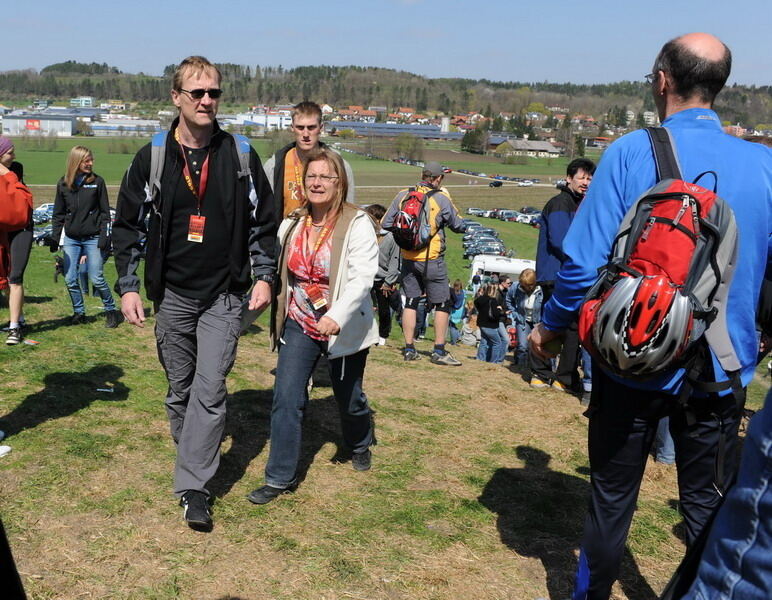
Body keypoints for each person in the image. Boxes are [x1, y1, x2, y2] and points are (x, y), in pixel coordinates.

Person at [528, 34, 772, 600]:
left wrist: (551, 329)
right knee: (707, 506)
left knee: (610, 502)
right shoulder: (764, 165)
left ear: (662, 78)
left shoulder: (631, 152)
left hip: (629, 359)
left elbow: (581, 264)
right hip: (721, 365)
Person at [112, 56, 277, 531]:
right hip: (175, 297)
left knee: (209, 391)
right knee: (180, 389)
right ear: (177, 98)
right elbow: (125, 226)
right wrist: (127, 286)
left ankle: (193, 487)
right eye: (197, 92)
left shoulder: (240, 155)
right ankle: (194, 454)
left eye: (214, 93)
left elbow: (264, 224)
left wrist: (264, 274)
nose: (207, 101)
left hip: (224, 297)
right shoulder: (155, 156)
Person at [248, 146, 377, 505]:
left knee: (348, 399)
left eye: (325, 177)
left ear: (340, 183)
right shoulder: (293, 223)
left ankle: (360, 441)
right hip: (299, 323)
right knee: (286, 398)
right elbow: (278, 271)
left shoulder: (357, 223)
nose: (317, 183)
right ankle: (279, 477)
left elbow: (362, 277)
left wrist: (337, 316)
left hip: (343, 326)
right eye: (312, 177)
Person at [382, 161, 467, 365]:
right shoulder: (441, 198)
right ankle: (439, 350)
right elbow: (459, 225)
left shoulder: (403, 194)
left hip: (408, 257)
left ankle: (409, 348)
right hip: (432, 257)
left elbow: (386, 223)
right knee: (442, 303)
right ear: (438, 179)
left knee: (411, 301)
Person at [531, 157, 595, 391]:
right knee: (549, 322)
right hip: (555, 273)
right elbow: (560, 241)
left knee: (573, 327)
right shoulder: (560, 203)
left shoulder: (580, 204)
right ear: (569, 178)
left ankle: (564, 377)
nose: (586, 182)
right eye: (581, 177)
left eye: (590, 178)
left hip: (569, 273)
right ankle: (540, 372)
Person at [52, 146, 121, 328]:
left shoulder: (97, 182)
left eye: (91, 160)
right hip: (72, 239)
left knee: (96, 277)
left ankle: (111, 310)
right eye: (86, 160)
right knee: (70, 279)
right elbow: (58, 214)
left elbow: (106, 213)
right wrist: (55, 237)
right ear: (76, 161)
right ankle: (79, 312)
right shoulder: (63, 184)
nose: (90, 163)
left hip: (93, 238)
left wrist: (105, 237)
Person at [263, 101, 355, 221]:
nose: (305, 134)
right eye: (300, 128)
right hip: (286, 237)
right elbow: (265, 213)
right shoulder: (274, 166)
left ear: (321, 128)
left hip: (326, 236)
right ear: (292, 128)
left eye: (311, 127)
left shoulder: (340, 166)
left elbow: (348, 212)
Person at [0, 137, 33, 345]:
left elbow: (19, 201)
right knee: (4, 277)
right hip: (3, 230)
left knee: (15, 277)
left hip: (21, 228)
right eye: (10, 152)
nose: (14, 156)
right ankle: (18, 317)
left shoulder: (16, 169)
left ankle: (14, 328)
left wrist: (7, 173)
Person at [364, 203, 401, 346]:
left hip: (382, 279)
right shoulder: (365, 235)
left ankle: (382, 335)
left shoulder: (391, 238)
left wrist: (389, 281)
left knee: (384, 310)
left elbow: (394, 261)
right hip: (366, 276)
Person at [506, 268, 543, 368]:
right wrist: (514, 313)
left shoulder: (541, 290)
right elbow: (509, 300)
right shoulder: (515, 287)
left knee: (536, 345)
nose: (523, 287)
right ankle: (521, 367)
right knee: (522, 345)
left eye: (526, 285)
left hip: (538, 321)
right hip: (522, 320)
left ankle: (534, 367)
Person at [474, 284, 505, 363]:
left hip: (481, 323)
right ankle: (493, 361)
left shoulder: (481, 299)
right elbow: (495, 315)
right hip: (490, 325)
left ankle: (480, 358)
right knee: (497, 343)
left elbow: (476, 303)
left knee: (484, 341)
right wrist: (500, 310)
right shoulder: (493, 301)